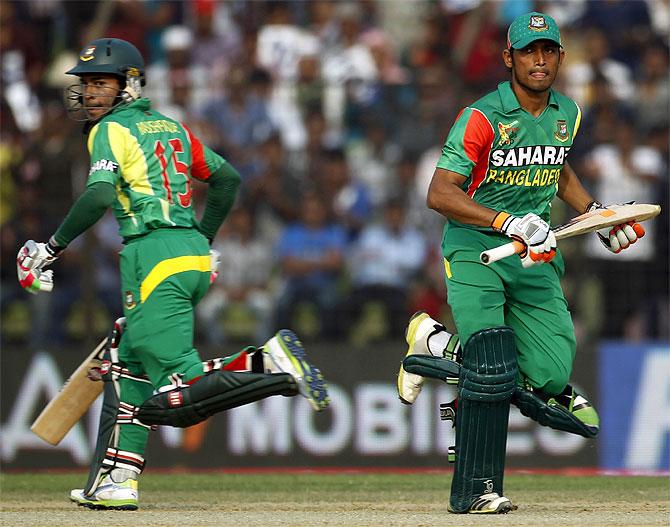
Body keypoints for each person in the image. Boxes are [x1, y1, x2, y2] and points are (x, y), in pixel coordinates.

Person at [15, 37, 329, 511]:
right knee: (128, 364)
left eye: (101, 83)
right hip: (186, 253)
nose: (89, 94)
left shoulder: (110, 131)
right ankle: (117, 479)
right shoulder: (172, 126)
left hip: (151, 254)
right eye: (86, 84)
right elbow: (226, 180)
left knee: (174, 397)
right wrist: (200, 240)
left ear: (130, 84)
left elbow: (100, 197)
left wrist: (51, 247)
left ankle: (268, 362)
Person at [396, 12, 647, 514]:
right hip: (477, 251)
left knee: (550, 377)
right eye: (529, 51)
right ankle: (476, 491)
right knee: (491, 361)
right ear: (509, 58)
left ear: (559, 56)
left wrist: (596, 214)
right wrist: (506, 222)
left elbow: (555, 165)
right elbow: (439, 192)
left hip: (535, 257)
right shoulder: (482, 117)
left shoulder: (567, 114)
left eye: (548, 50)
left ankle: (435, 341)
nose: (539, 60)